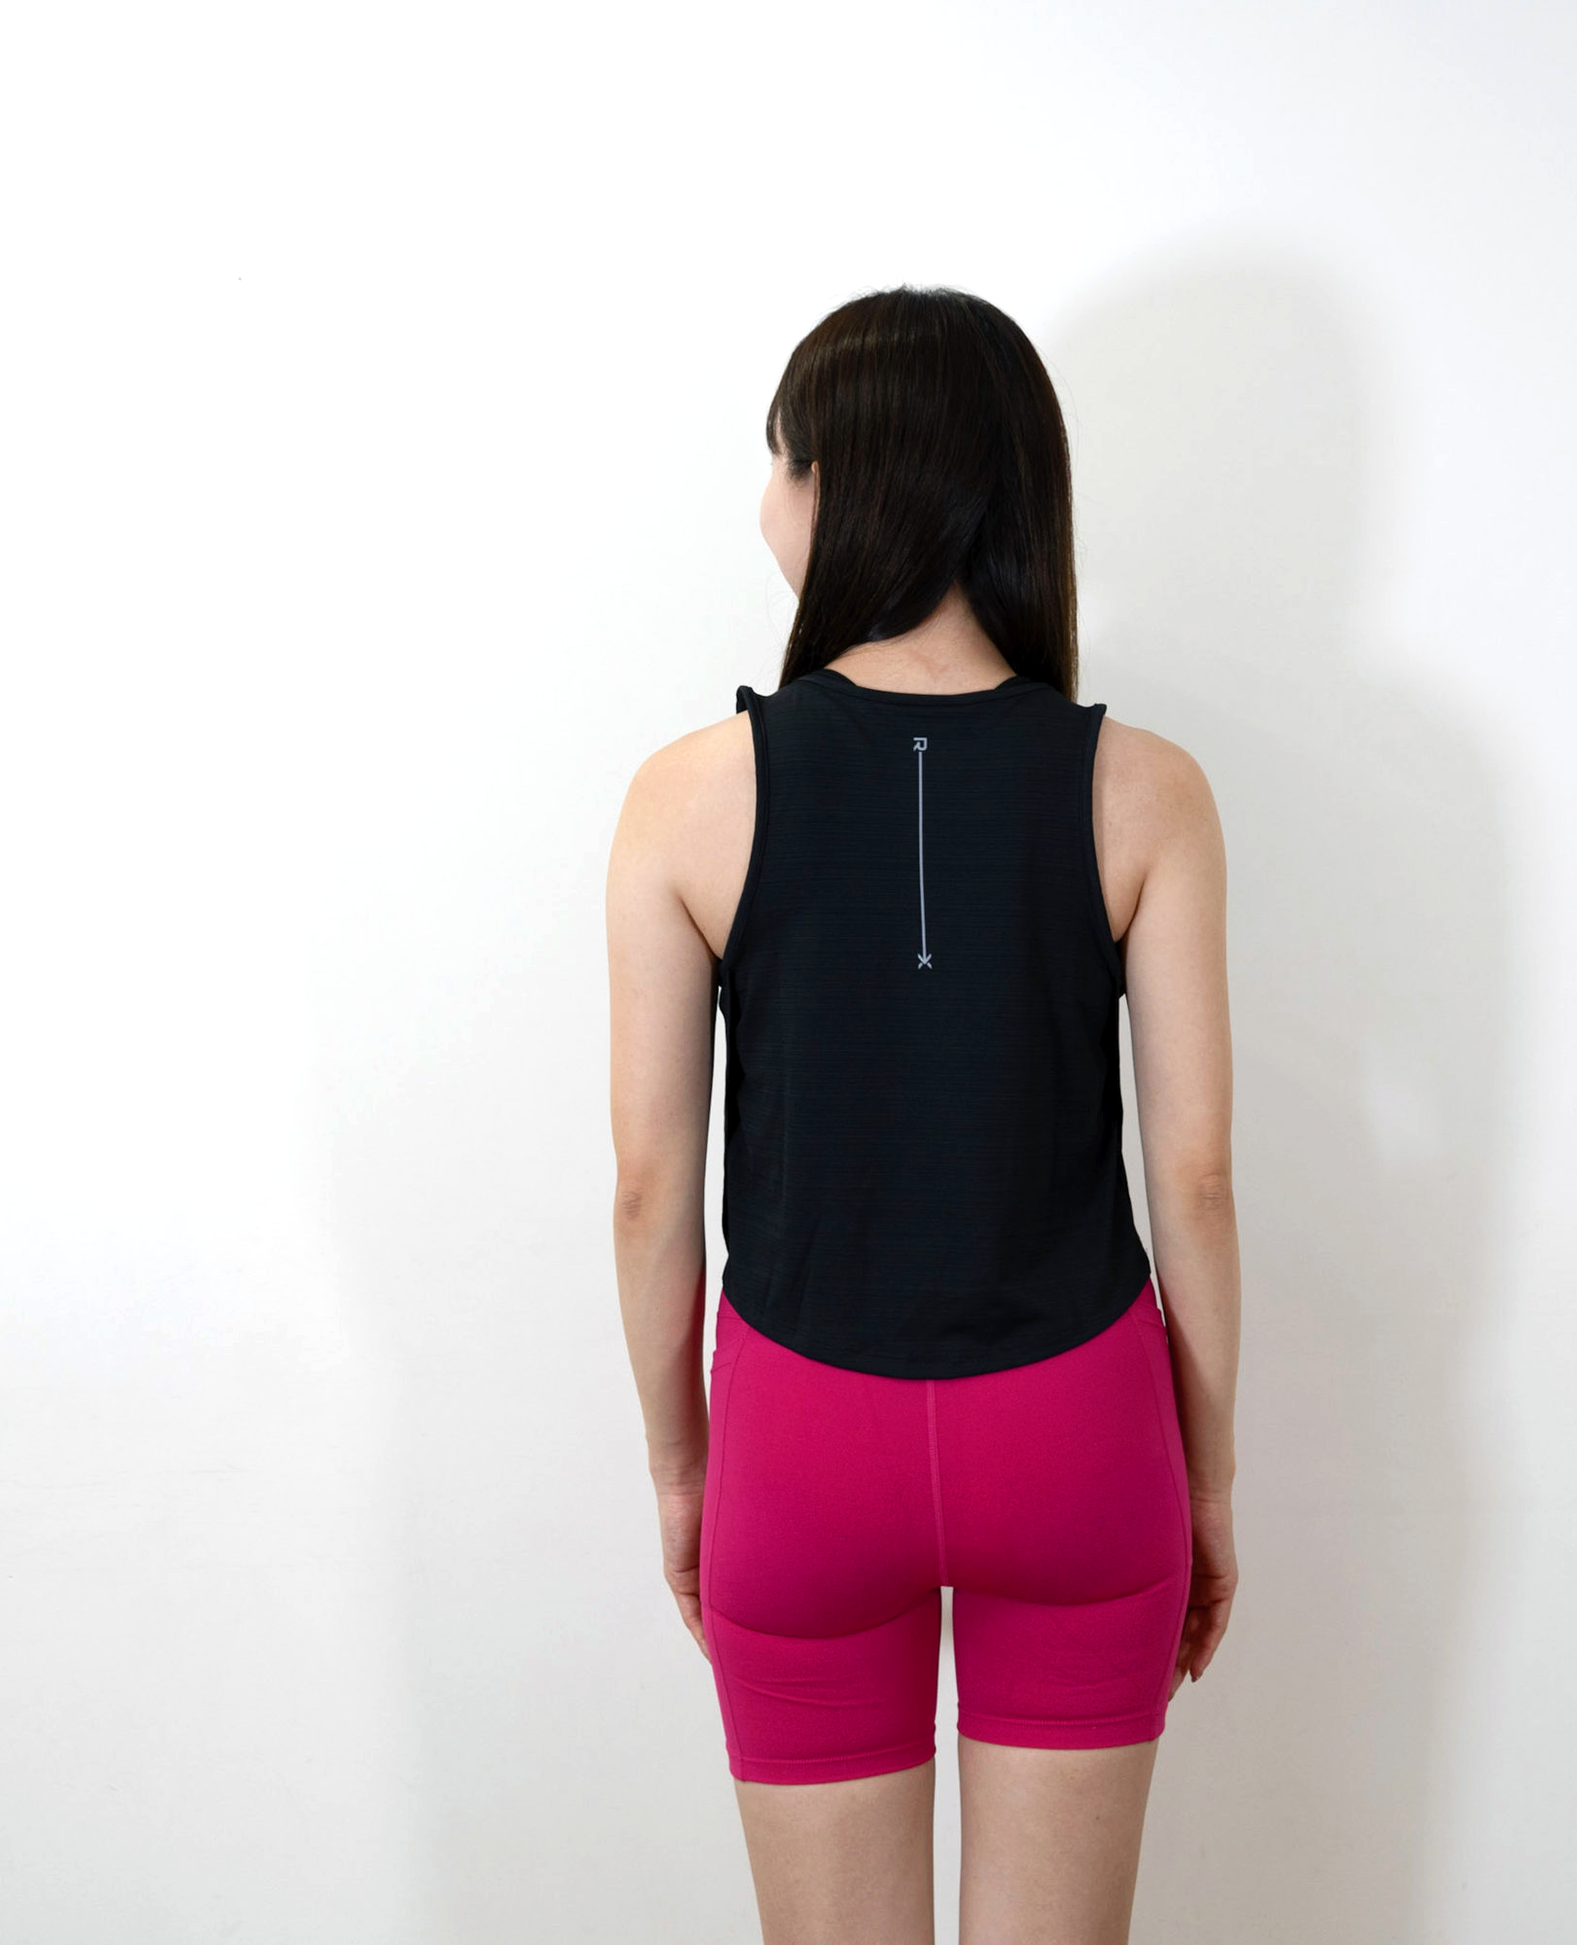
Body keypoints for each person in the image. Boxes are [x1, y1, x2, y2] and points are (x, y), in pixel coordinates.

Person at [607, 285, 1240, 1944]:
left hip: (799, 1439)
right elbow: (1191, 1177)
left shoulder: (685, 798)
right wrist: (1206, 1476)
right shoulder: (1146, 791)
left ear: (835, 482)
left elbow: (650, 1189)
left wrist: (680, 1467)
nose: (762, 501)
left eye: (775, 461)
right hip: (1081, 1432)